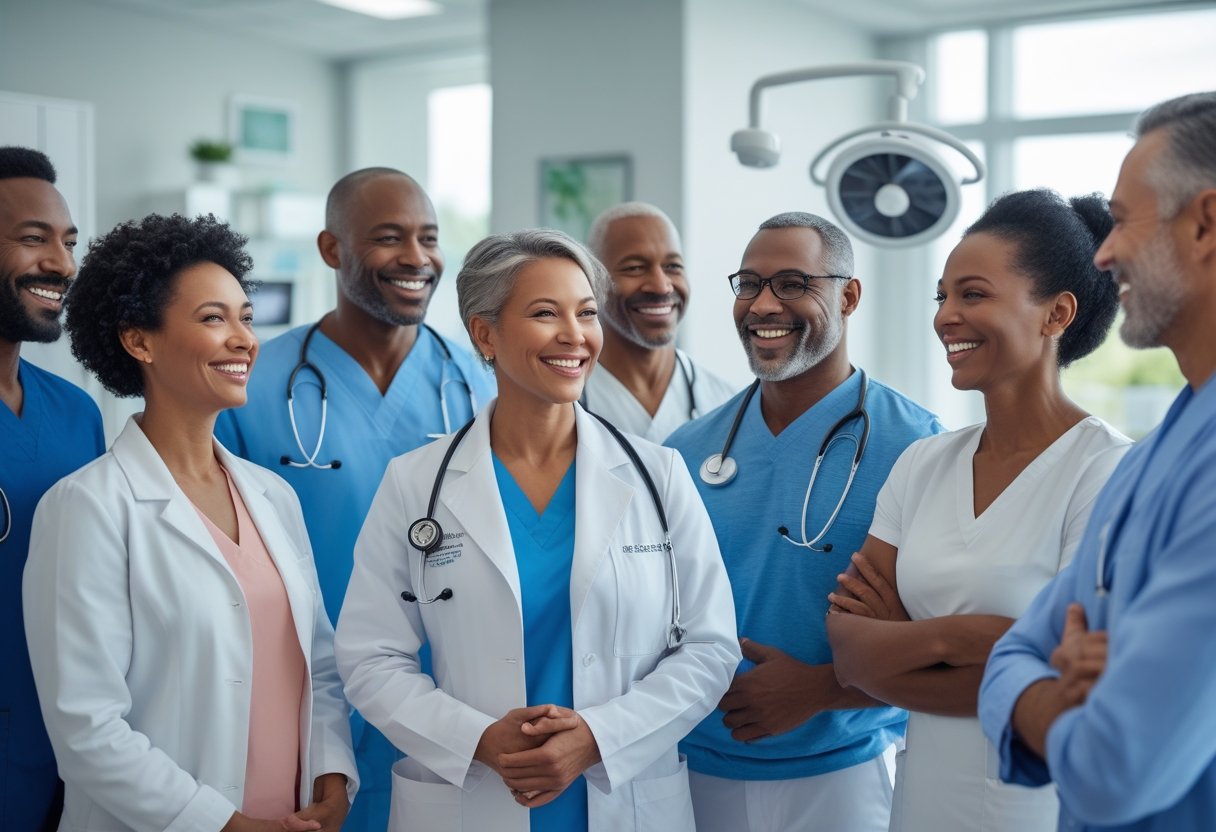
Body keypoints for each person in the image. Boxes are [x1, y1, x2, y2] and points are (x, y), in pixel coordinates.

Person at [334, 228, 740, 831]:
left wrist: (598, 738)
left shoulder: (660, 476)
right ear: (485, 334)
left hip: (621, 799)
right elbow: (371, 658)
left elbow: (710, 647)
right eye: (546, 313)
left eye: (587, 313)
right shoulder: (415, 484)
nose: (575, 335)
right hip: (474, 799)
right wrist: (476, 739)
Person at [23, 213, 357, 831]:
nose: (244, 339)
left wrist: (332, 780)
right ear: (139, 341)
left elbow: (320, 666)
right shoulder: (88, 508)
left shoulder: (274, 496)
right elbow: (86, 727)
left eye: (246, 318)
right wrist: (226, 825)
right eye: (213, 319)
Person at [824, 189, 1131, 832]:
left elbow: (1075, 683)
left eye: (973, 294)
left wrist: (904, 640)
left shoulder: (1107, 470)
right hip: (920, 803)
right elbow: (851, 656)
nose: (945, 317)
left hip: (1038, 808)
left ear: (1056, 313)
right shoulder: (923, 463)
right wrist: (977, 640)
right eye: (941, 296)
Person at [214, 167, 494, 829]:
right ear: (331, 249)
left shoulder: (481, 386)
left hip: (452, 701)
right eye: (389, 237)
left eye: (429, 237)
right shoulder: (254, 384)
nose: (416, 257)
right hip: (306, 703)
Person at [979, 92, 1216, 831]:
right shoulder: (1158, 452)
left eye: (1122, 221)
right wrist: (1057, 696)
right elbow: (1012, 651)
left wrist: (1042, 706)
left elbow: (1116, 767)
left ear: (1206, 223)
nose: (1103, 254)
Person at [664, 212, 943, 832]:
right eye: (749, 284)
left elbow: (944, 640)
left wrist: (825, 689)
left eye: (794, 284)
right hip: (693, 769)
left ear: (848, 296)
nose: (764, 304)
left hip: (846, 772)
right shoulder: (684, 452)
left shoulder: (919, 447)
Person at [0, 146, 104, 832]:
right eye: (34, 239)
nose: (63, 265)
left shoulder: (75, 413)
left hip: (65, 755)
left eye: (68, 243)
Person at [580, 202, 736, 440]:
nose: (662, 286)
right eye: (634, 268)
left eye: (673, 266)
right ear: (591, 281)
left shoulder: (727, 405)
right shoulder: (560, 404)